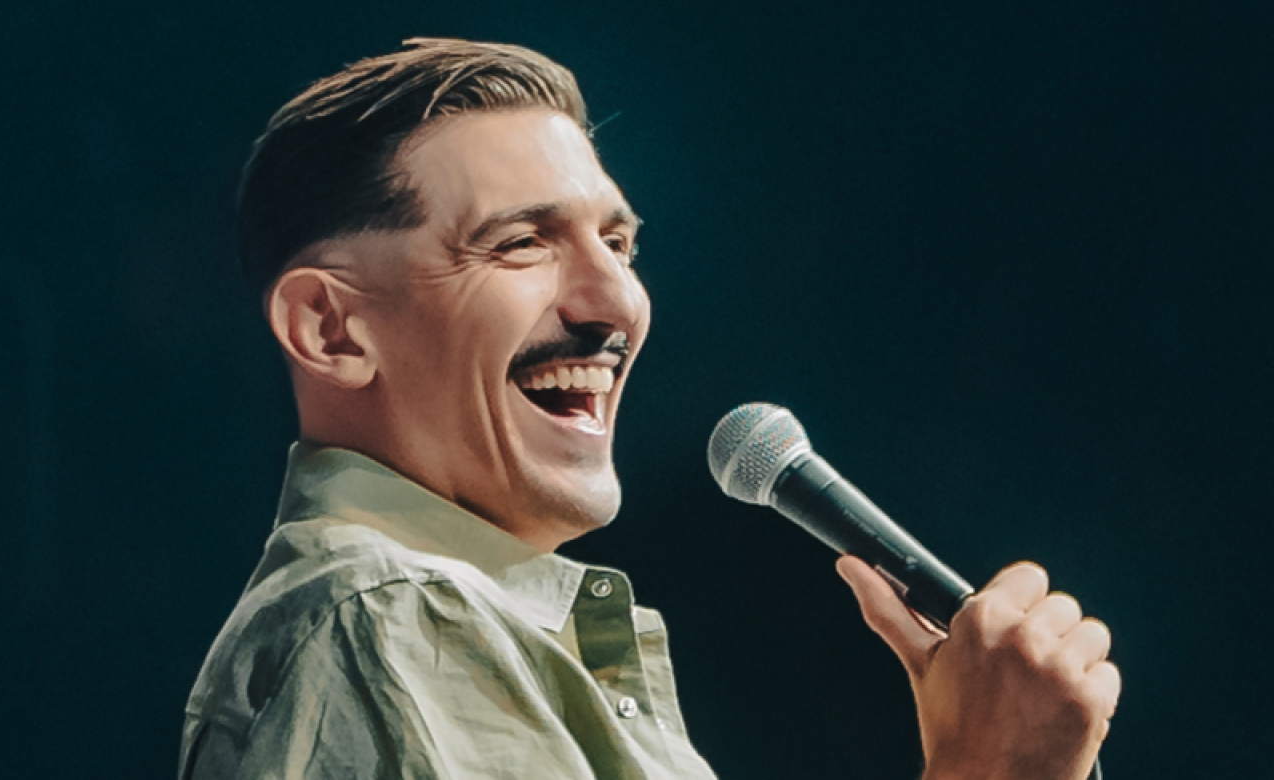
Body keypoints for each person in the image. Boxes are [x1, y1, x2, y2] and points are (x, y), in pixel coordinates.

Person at [179, 38, 1119, 780]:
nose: (616, 302)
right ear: (331, 328)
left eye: (619, 243)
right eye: (519, 243)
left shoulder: (451, 626)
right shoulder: (386, 617)